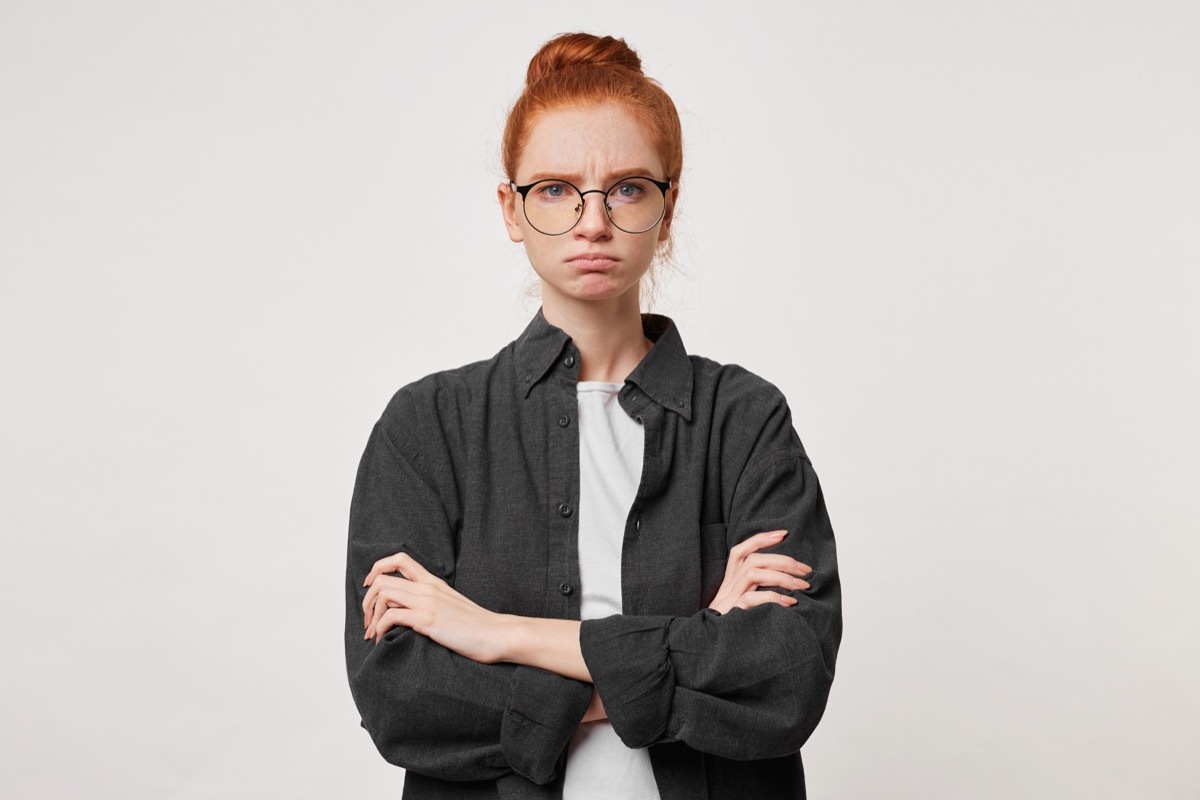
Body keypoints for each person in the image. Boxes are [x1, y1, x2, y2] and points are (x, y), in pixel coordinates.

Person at [344, 32, 842, 800]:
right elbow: (401, 699)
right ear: (510, 209)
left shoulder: (744, 420)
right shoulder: (427, 428)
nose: (593, 222)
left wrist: (497, 635)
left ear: (668, 208)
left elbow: (785, 681)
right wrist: (698, 639)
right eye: (554, 189)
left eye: (627, 188)